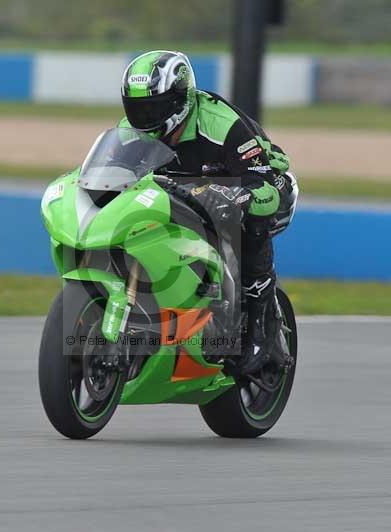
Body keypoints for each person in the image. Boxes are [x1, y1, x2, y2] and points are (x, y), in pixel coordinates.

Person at [118, 50, 299, 375]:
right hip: (183, 190)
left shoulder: (223, 125)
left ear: (179, 101)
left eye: (154, 108)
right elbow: (115, 175)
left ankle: (261, 321)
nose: (145, 118)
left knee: (249, 217)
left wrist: (235, 196)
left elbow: (265, 189)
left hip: (260, 183)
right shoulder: (132, 131)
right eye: (137, 109)